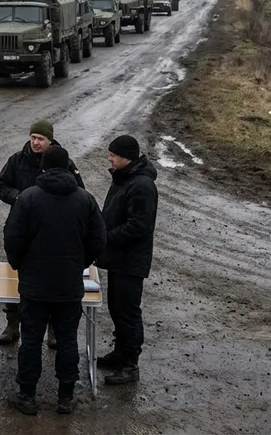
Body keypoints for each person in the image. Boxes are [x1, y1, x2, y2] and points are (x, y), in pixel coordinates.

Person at [2, 146, 106, 415]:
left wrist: (19, 264)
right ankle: (66, 397)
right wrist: (80, 263)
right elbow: (98, 240)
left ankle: (26, 395)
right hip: (69, 284)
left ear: (43, 167)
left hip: (34, 284)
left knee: (31, 339)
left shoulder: (27, 198)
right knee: (67, 339)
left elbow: (13, 237)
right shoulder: (85, 200)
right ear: (69, 167)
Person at [0, 120, 84, 346]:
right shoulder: (16, 160)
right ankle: (12, 323)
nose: (35, 142)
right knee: (16, 275)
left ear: (49, 140)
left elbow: (79, 191)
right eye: (33, 137)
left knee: (50, 281)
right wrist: (18, 197)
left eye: (40, 139)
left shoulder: (63, 161)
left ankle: (53, 329)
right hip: (22, 228)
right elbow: (1, 185)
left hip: (53, 232)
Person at [95, 134, 159, 385]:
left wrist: (106, 237)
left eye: (113, 155)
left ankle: (130, 363)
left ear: (126, 158)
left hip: (130, 260)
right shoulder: (124, 178)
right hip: (119, 258)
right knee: (117, 308)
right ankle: (120, 353)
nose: (109, 158)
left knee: (128, 312)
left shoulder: (142, 185)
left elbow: (140, 227)